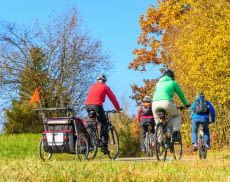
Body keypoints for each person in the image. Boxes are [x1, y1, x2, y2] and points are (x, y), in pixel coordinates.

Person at [152, 69, 190, 147]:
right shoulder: (173, 83)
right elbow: (181, 95)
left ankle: (159, 140)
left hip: (154, 104)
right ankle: (175, 133)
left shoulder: (158, 84)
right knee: (177, 115)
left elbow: (155, 95)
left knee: (157, 121)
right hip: (166, 103)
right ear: (172, 76)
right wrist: (186, 104)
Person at [85, 74, 121, 154]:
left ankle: (92, 138)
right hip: (97, 105)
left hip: (87, 105)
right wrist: (118, 108)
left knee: (92, 122)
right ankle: (104, 146)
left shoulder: (92, 86)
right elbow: (113, 98)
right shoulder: (105, 87)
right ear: (104, 81)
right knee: (104, 124)